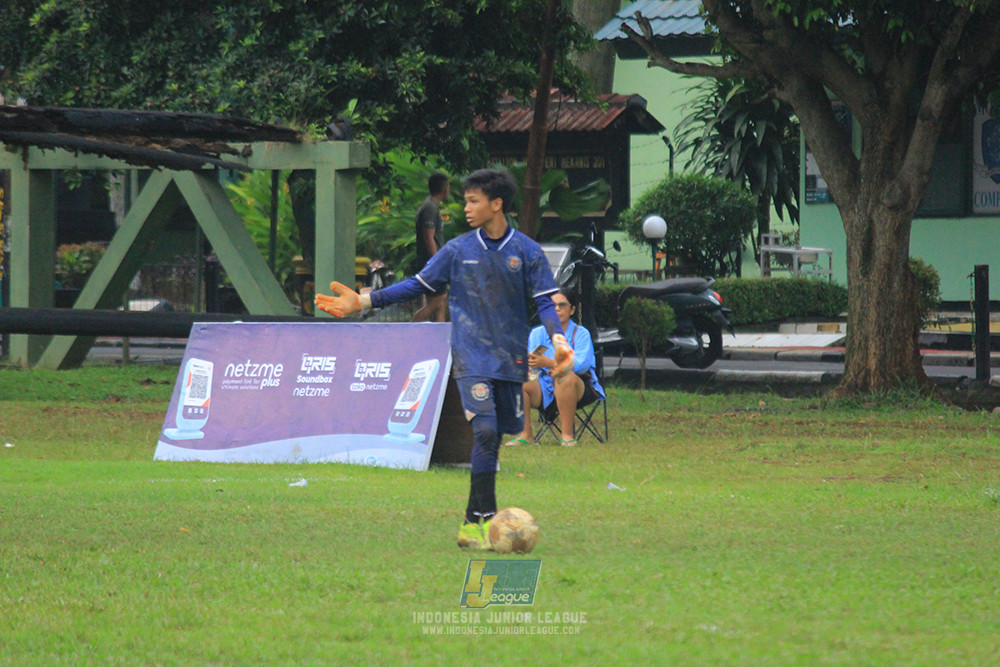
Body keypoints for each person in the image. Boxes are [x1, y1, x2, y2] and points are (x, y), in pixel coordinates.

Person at [315, 168, 573, 551]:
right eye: (465, 200)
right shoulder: (457, 250)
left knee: (495, 436)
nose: (466, 208)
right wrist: (365, 300)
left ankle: (471, 524)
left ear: (496, 204)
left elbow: (543, 300)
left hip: (511, 360)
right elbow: (418, 284)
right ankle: (486, 522)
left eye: (473, 201)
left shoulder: (527, 251)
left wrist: (556, 336)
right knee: (484, 431)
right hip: (470, 355)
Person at [505, 288, 605, 448]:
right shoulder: (538, 334)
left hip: (579, 386)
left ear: (572, 309)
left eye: (562, 305)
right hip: (545, 385)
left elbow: (580, 365)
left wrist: (550, 364)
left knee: (564, 377)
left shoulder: (581, 334)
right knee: (519, 380)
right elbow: (533, 361)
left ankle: (567, 436)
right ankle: (526, 435)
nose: (556, 309)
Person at [410, 172, 450, 322]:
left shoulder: (431, 206)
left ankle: (440, 343)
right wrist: (436, 262)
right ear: (445, 188)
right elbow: (429, 236)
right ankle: (409, 329)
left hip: (431, 262)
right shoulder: (430, 208)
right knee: (436, 303)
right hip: (430, 262)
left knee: (440, 302)